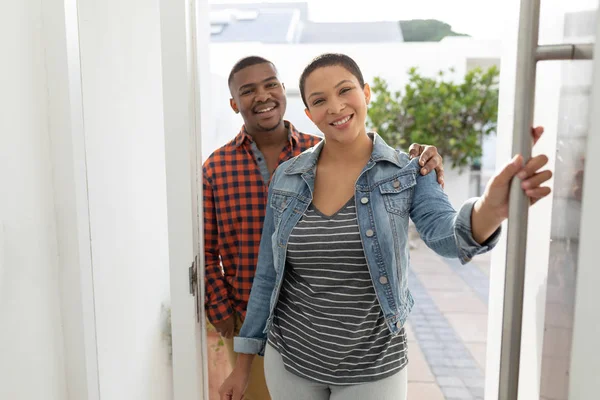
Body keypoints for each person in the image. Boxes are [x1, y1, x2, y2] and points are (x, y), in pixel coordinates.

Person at [219, 53, 552, 400]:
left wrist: (490, 209)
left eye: (344, 90)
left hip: (374, 366)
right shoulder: (287, 177)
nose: (334, 107)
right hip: (290, 361)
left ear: (366, 93)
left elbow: (446, 235)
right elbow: (268, 275)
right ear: (308, 114)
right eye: (319, 100)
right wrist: (242, 368)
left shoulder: (406, 173)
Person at [203, 55, 447, 400]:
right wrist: (222, 313)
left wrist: (420, 164)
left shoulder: (321, 146)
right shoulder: (216, 166)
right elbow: (212, 251)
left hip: (356, 344)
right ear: (233, 103)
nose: (263, 95)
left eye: (271, 84)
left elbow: (379, 174)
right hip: (253, 320)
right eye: (248, 90)